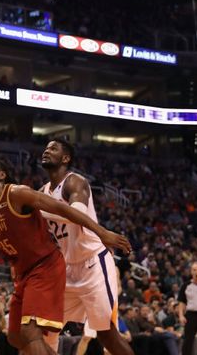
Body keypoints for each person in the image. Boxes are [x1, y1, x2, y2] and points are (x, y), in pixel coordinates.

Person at [0, 157, 130, 355]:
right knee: (15, 337)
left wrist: (101, 232)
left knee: (30, 332)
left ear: (2, 175)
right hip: (22, 274)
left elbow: (62, 208)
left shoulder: (17, 193)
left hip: (45, 266)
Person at [38, 139, 134, 355]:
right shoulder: (41, 192)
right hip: (66, 269)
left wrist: (39, 209)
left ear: (66, 158)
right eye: (46, 147)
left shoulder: (75, 182)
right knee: (47, 328)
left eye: (53, 148)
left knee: (105, 333)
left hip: (94, 264)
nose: (46, 150)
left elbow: (77, 215)